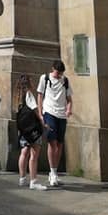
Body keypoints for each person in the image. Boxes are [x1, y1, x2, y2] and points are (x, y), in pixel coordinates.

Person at [37, 60, 72, 188]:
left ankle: (55, 171)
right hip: (49, 112)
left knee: (60, 143)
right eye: (57, 73)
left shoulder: (65, 81)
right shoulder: (45, 78)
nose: (59, 75)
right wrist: (40, 113)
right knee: (52, 143)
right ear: (53, 69)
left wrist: (68, 109)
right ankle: (52, 172)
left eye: (61, 73)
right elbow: (40, 96)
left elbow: (69, 99)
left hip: (62, 115)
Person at [16, 74, 46, 190]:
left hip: (23, 129)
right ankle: (33, 181)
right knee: (34, 154)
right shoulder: (29, 94)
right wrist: (43, 121)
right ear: (29, 83)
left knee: (24, 152)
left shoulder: (17, 97)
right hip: (33, 129)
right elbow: (35, 109)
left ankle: (22, 178)